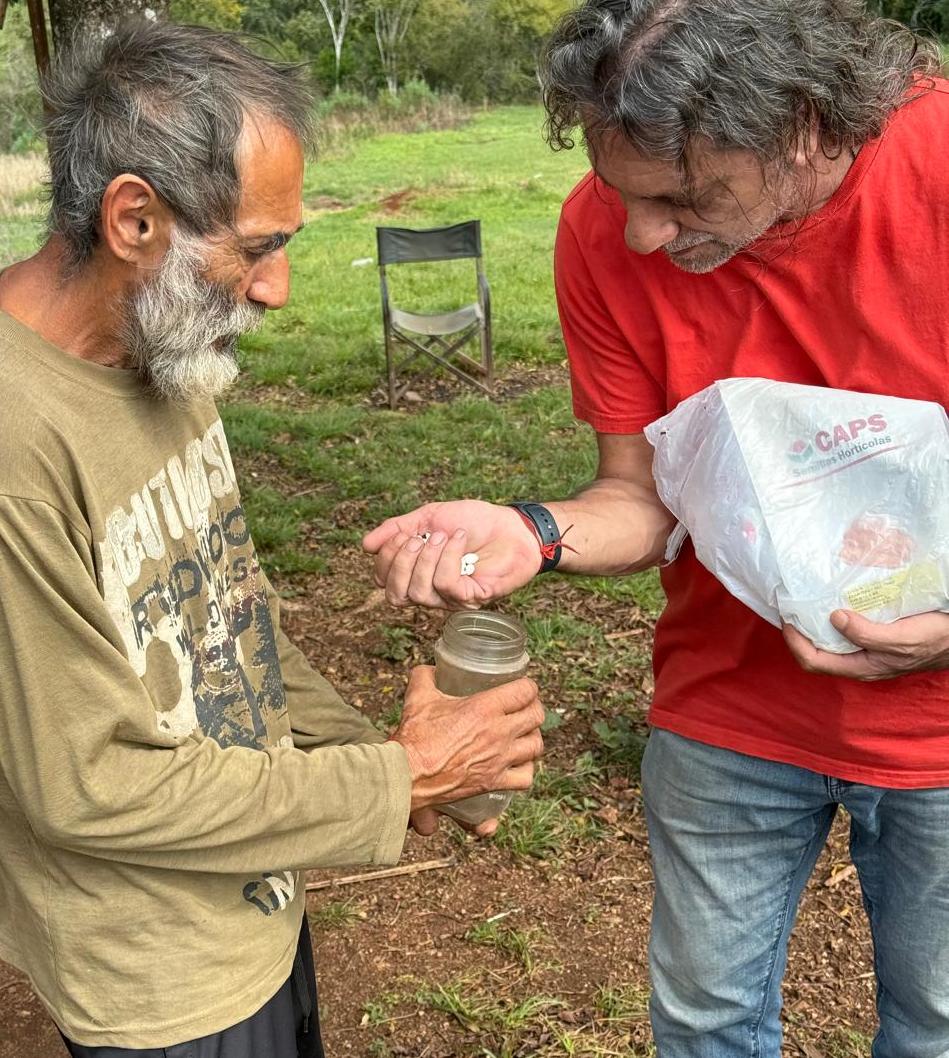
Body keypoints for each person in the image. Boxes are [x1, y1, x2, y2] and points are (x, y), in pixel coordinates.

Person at [363, 2, 949, 1055]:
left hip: (941, 731)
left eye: (683, 196)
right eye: (618, 189)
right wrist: (530, 530)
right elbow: (639, 496)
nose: (638, 233)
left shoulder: (937, 171)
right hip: (726, 710)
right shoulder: (605, 227)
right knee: (703, 1025)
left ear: (806, 125)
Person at [0, 21, 545, 1058]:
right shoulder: (16, 443)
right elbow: (89, 783)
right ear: (133, 218)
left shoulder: (168, 348)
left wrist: (388, 756)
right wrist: (399, 780)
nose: (276, 288)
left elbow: (230, 611)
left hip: (254, 896)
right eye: (256, 248)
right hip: (155, 977)